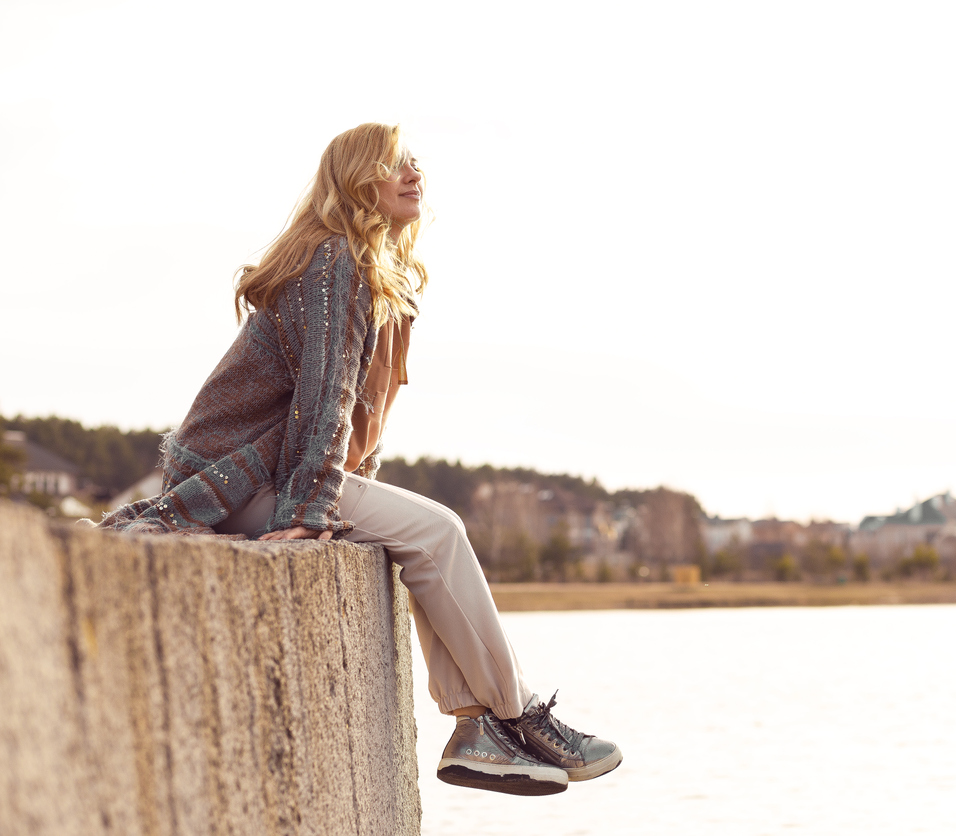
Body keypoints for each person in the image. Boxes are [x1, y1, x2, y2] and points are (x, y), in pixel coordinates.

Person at [98, 122, 622, 797]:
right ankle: (517, 720)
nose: (412, 174)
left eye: (414, 163)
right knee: (441, 531)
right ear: (355, 180)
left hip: (280, 472)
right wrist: (312, 507)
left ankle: (478, 732)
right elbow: (325, 397)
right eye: (391, 164)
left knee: (422, 535)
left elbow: (362, 419)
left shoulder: (376, 273)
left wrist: (338, 491)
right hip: (242, 479)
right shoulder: (332, 262)